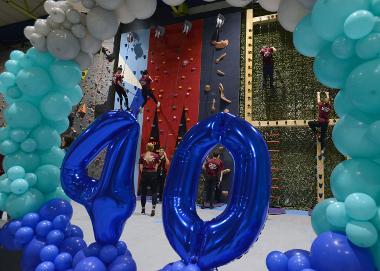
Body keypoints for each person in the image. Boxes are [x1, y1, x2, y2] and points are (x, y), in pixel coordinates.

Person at [139, 143, 160, 216]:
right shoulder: (156, 156)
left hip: (145, 173)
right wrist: (153, 171)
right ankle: (153, 208)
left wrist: (144, 173)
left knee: (143, 192)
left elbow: (141, 167)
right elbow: (157, 166)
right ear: (153, 148)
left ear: (146, 147)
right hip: (153, 173)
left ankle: (143, 210)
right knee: (154, 192)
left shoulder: (142, 155)